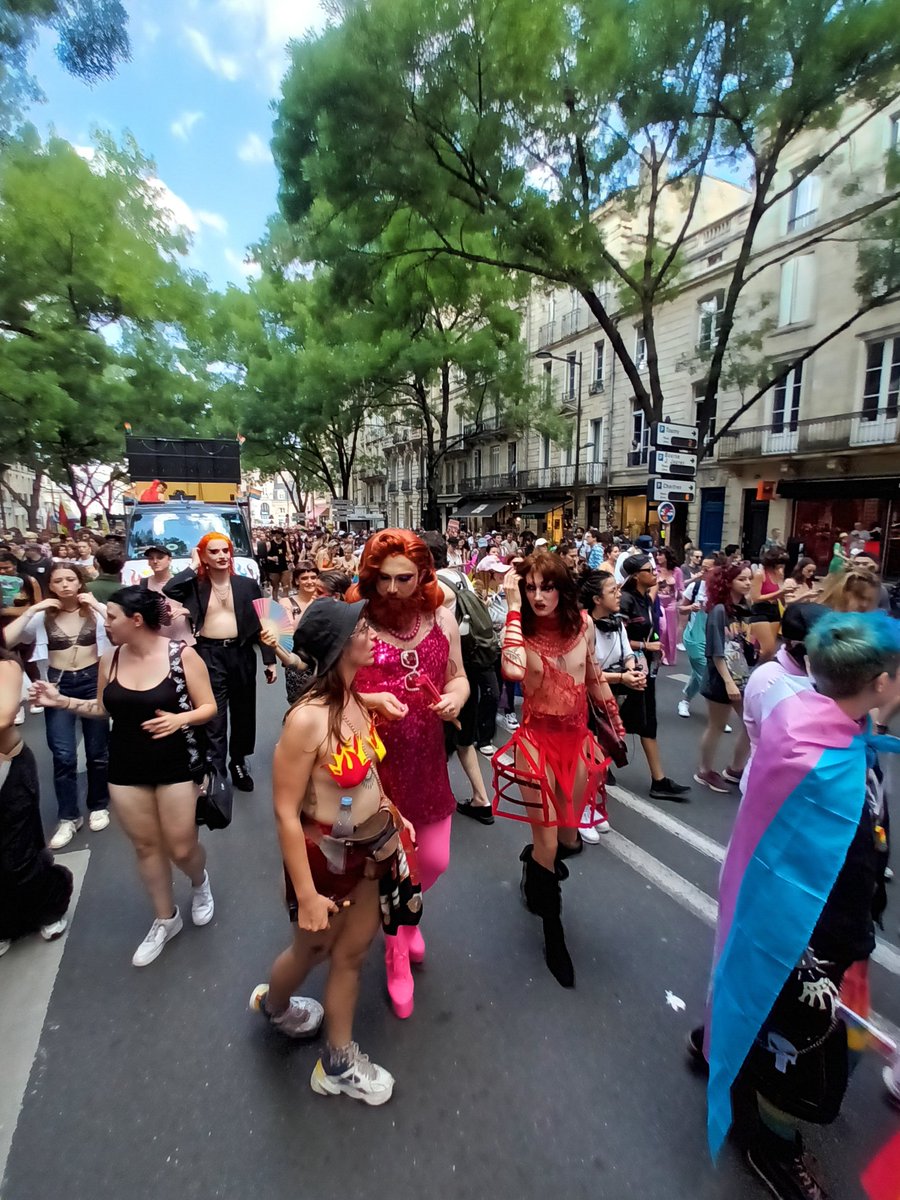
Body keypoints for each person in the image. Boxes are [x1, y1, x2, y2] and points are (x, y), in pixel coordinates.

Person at [703, 611, 900, 1199]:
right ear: (882, 682)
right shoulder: (827, 762)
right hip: (810, 934)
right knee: (799, 1051)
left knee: (779, 1025)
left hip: (804, 921)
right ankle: (772, 1143)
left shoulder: (813, 721)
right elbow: (822, 864)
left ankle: (746, 1087)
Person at [250, 599, 420, 1105]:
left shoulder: (353, 699)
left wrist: (390, 809)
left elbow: (365, 773)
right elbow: (284, 812)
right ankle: (276, 1006)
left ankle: (338, 1061)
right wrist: (305, 895)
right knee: (313, 948)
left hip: (372, 850)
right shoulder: (306, 721)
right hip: (326, 859)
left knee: (351, 954)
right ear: (339, 647)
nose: (371, 634)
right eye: (362, 629)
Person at [33, 588, 218, 966]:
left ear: (136, 620)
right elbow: (103, 707)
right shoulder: (110, 659)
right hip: (126, 766)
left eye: (112, 616)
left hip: (177, 764)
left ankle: (200, 883)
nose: (106, 623)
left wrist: (180, 718)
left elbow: (209, 707)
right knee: (146, 847)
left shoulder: (182, 655)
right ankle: (166, 919)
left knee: (181, 847)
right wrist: (61, 701)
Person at [348, 530, 469, 1019]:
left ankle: (405, 918)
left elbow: (457, 674)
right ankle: (396, 948)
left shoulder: (443, 619)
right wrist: (369, 699)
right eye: (383, 579)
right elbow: (326, 693)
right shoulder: (355, 622)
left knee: (434, 859)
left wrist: (457, 695)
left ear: (423, 576)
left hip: (427, 763)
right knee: (389, 867)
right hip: (372, 773)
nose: (393, 589)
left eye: (404, 578)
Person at [493, 552, 623, 985]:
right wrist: (512, 606)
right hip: (535, 742)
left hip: (576, 741)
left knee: (568, 840)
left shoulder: (581, 625)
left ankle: (533, 863)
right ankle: (554, 932)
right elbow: (511, 669)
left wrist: (614, 719)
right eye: (529, 588)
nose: (537, 596)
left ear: (562, 588)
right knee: (549, 840)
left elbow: (592, 675)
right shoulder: (520, 630)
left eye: (546, 587)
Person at [3, 563, 110, 848]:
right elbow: (7, 639)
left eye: (70, 579)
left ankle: (98, 804)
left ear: (80, 582)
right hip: (57, 685)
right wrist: (30, 610)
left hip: (92, 681)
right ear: (50, 586)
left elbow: (119, 631)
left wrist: (98, 606)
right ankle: (68, 816)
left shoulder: (93, 611)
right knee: (63, 754)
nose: (65, 585)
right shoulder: (42, 617)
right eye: (58, 580)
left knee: (98, 751)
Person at [164, 534, 277, 791]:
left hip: (241, 653)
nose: (221, 556)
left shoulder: (247, 585)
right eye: (213, 552)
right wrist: (193, 565)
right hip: (209, 654)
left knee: (243, 712)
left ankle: (238, 762)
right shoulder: (195, 585)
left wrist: (269, 661)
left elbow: (265, 621)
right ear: (203, 555)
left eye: (225, 550)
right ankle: (215, 768)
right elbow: (170, 589)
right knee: (214, 713)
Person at [0, 649, 72, 955]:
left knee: (20, 851)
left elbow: (4, 715)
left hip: (8, 767)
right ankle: (6, 924)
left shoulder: (6, 665)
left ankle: (48, 910)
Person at [424, 530, 498, 824]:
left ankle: (434, 801)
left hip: (447, 672)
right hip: (468, 668)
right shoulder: (460, 578)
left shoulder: (436, 590)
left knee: (438, 739)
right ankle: (481, 799)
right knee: (464, 739)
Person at [618, 554, 690, 800]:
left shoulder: (644, 599)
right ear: (637, 575)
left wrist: (654, 648)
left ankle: (658, 779)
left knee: (646, 721)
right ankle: (599, 765)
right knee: (615, 719)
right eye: (650, 570)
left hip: (647, 669)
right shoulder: (625, 600)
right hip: (627, 670)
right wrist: (643, 646)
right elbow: (615, 637)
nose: (655, 574)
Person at [578, 569, 646, 832]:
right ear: (596, 599)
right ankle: (582, 807)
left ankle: (592, 803)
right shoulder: (585, 625)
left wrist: (633, 669)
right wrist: (622, 678)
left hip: (609, 699)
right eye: (612, 591)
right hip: (586, 701)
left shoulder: (617, 622)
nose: (619, 595)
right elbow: (587, 672)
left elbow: (628, 653)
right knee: (590, 756)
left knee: (605, 753)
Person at [694, 562, 755, 793]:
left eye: (749, 579)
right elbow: (715, 651)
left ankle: (735, 768)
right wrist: (728, 681)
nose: (748, 583)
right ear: (729, 582)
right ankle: (705, 770)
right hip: (721, 678)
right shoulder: (718, 610)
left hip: (741, 675)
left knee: (751, 724)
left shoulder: (744, 607)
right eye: (742, 579)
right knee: (717, 725)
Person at [677, 555, 716, 719]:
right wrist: (691, 607)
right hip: (694, 637)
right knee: (705, 673)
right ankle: (717, 715)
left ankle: (685, 700)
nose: (704, 571)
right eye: (703, 567)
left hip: (714, 637)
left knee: (698, 673)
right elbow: (681, 608)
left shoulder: (722, 590)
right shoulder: (695, 586)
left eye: (708, 568)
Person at [748, 549, 792, 662]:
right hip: (761, 610)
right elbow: (755, 597)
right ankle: (756, 668)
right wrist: (779, 593)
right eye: (779, 564)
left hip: (774, 609)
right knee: (767, 648)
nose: (781, 567)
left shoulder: (778, 574)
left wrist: (785, 596)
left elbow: (781, 593)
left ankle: (763, 670)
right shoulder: (760, 574)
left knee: (771, 650)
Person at [655, 547, 684, 666]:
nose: (658, 557)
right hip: (659, 601)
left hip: (671, 602)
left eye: (660, 555)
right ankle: (659, 653)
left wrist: (681, 601)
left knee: (671, 632)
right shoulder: (655, 570)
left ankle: (669, 656)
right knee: (663, 628)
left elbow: (681, 587)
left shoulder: (677, 571)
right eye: (657, 555)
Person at [262, 529, 290, 601]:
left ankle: (286, 601)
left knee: (286, 585)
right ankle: (275, 601)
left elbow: (289, 552)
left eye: (279, 534)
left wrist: (290, 556)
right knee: (275, 586)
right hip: (273, 568)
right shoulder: (270, 543)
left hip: (283, 566)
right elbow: (264, 555)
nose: (277, 535)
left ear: (282, 535)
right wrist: (271, 558)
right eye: (276, 533)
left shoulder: (285, 543)